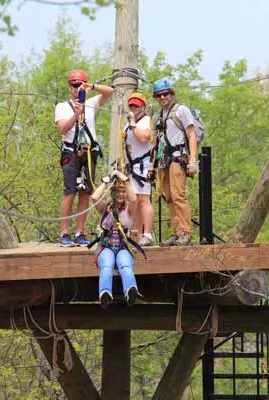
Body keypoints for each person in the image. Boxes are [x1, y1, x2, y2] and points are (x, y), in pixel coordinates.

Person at [55, 69, 114, 246]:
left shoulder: (91, 103)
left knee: (85, 194)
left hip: (88, 152)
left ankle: (80, 232)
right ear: (69, 86)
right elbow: (63, 129)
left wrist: (92, 87)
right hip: (71, 153)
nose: (76, 89)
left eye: (79, 85)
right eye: (74, 85)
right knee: (70, 193)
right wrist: (76, 114)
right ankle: (64, 233)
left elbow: (110, 92)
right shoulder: (62, 106)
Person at [151, 78, 199, 246]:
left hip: (179, 156)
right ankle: (177, 232)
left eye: (166, 94)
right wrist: (152, 165)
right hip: (164, 159)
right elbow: (156, 143)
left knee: (178, 195)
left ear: (171, 93)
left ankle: (185, 232)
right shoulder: (158, 115)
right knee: (169, 197)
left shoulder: (181, 110)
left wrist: (193, 159)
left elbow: (191, 134)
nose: (163, 97)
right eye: (159, 95)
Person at [90, 170, 142, 308]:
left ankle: (131, 290)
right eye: (117, 192)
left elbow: (134, 198)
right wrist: (105, 182)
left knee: (125, 264)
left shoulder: (129, 210)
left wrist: (125, 180)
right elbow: (94, 198)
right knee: (106, 265)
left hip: (122, 247)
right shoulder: (105, 209)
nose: (120, 195)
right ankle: (105, 293)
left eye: (123, 192)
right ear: (112, 193)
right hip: (106, 247)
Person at [123, 92, 155, 246]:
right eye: (131, 105)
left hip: (142, 165)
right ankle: (135, 232)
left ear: (142, 106)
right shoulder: (128, 123)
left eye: (136, 105)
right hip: (130, 166)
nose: (134, 108)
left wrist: (133, 124)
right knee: (132, 200)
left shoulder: (146, 121)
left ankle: (147, 233)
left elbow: (143, 138)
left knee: (143, 200)